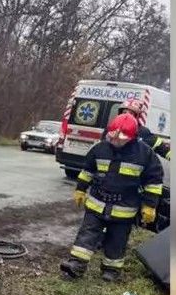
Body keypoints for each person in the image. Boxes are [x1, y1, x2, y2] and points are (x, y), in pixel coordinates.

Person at [61, 113, 163, 282]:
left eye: (120, 139)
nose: (115, 141)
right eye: (112, 137)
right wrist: (80, 189)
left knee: (117, 240)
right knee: (87, 235)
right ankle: (76, 265)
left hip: (124, 208)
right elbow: (87, 171)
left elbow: (153, 182)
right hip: (96, 203)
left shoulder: (145, 154)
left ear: (132, 137)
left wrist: (150, 206)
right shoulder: (99, 149)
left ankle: (111, 270)